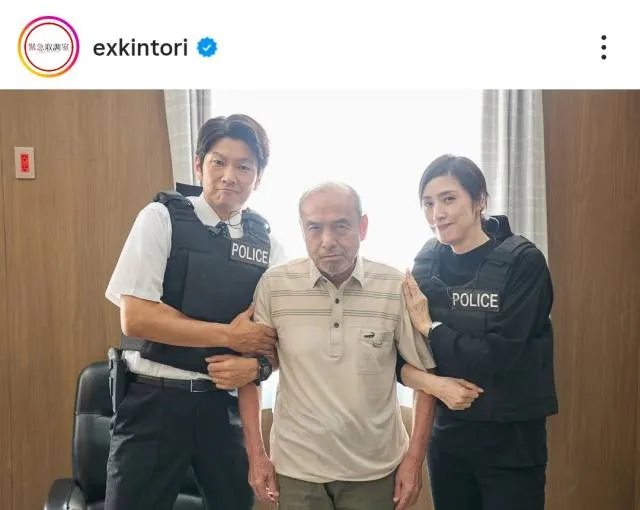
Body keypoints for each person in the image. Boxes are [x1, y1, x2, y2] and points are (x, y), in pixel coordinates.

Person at [237, 182, 483, 510]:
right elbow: (251, 375)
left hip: (375, 470)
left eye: (341, 226)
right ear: (302, 229)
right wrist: (256, 455)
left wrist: (413, 460)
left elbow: (424, 377)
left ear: (362, 227)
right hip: (296, 470)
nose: (328, 240)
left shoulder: (393, 286)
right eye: (314, 227)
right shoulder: (274, 285)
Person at [103, 114, 286, 510]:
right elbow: (136, 318)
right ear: (199, 164)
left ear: (258, 178)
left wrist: (256, 368)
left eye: (244, 167)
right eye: (219, 162)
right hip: (154, 402)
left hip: (224, 408)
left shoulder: (269, 246)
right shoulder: (161, 218)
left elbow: (270, 345)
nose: (229, 176)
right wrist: (228, 336)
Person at [401, 154, 558, 510]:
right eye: (428, 203)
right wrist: (436, 385)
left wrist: (430, 328)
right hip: (448, 442)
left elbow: (498, 356)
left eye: (449, 198)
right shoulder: (426, 263)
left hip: (511, 442)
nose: (437, 213)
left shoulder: (524, 262)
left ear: (480, 200)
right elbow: (402, 356)